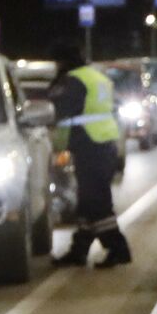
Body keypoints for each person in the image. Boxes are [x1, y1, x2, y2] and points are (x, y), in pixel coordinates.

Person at [47, 42, 131, 267]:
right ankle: (79, 250)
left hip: (89, 143)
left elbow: (61, 113)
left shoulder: (73, 81)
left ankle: (118, 247)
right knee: (88, 202)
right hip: (105, 143)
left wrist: (56, 146)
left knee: (96, 202)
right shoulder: (95, 76)